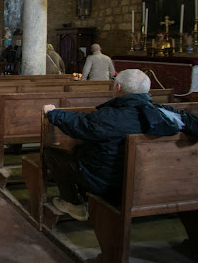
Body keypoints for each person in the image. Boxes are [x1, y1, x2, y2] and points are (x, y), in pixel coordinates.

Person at [43, 69, 198, 221]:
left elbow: (80, 124)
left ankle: (73, 204)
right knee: (80, 149)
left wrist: (53, 113)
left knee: (51, 154)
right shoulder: (165, 114)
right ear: (147, 90)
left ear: (117, 88)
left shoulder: (111, 116)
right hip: (157, 184)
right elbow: (191, 121)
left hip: (110, 184)